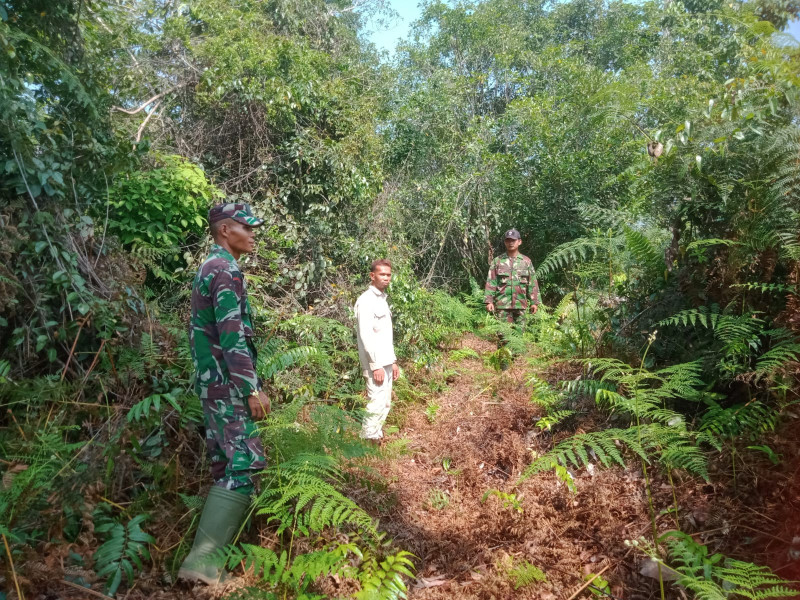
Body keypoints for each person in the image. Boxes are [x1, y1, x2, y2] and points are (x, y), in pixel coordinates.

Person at [179, 202, 271, 585]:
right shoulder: (225, 271)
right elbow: (231, 335)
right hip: (228, 388)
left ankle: (205, 565)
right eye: (245, 229)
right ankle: (203, 567)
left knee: (225, 466)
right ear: (224, 231)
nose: (252, 236)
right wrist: (250, 388)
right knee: (244, 465)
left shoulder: (210, 267)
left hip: (212, 385)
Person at [354, 259, 399, 443]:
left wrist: (393, 361)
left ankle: (376, 438)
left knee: (385, 403)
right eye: (382, 274)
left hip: (386, 361)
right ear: (372, 276)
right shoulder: (365, 301)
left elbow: (384, 336)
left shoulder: (382, 299)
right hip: (376, 364)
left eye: (388, 275)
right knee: (375, 403)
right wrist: (375, 365)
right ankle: (368, 442)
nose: (386, 278)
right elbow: (366, 336)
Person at [485, 228, 540, 326]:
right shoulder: (497, 261)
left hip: (520, 305)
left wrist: (534, 302)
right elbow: (491, 282)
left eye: (513, 240)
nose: (510, 243)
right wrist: (489, 301)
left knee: (518, 337)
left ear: (519, 242)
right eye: (508, 240)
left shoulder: (526, 262)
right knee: (503, 336)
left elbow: (532, 283)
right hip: (502, 306)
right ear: (505, 242)